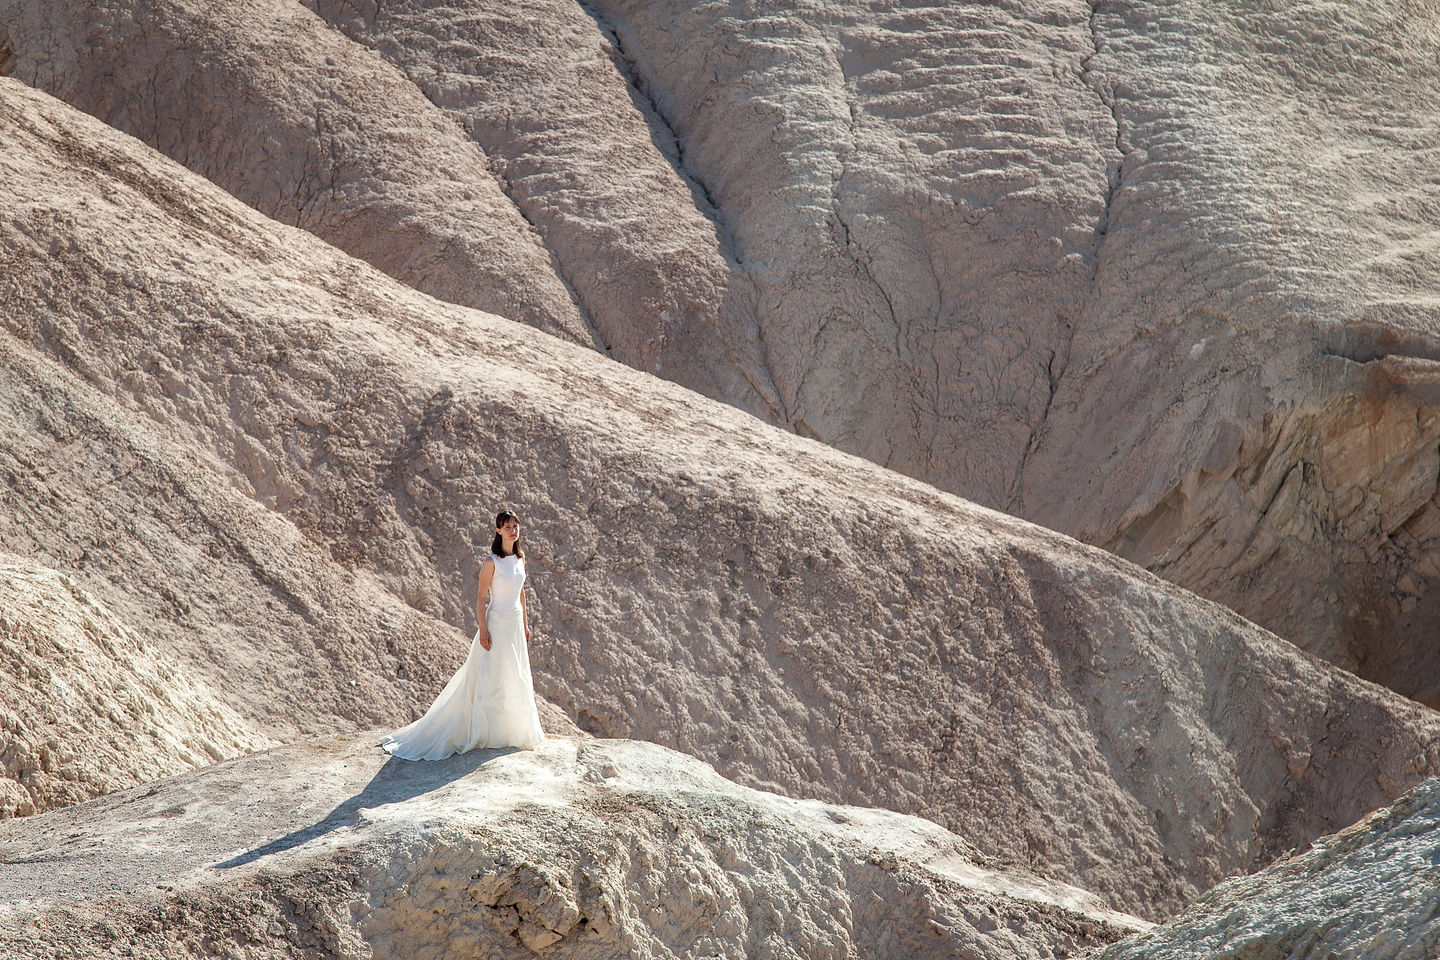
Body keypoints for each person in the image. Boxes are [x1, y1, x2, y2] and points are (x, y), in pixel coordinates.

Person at [380, 509, 544, 759]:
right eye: (508, 526)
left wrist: (525, 623)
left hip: (515, 627)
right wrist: (483, 629)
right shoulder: (491, 562)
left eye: (516, 526)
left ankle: (510, 732)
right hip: (497, 623)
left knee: (514, 674)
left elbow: (521, 592)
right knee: (492, 675)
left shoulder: (520, 558)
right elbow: (480, 598)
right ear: (498, 530)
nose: (513, 530)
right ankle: (485, 731)